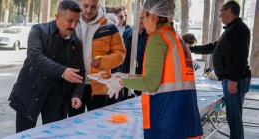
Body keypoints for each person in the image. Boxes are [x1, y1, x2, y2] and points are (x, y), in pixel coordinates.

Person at [104, 0, 203, 138]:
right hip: (184, 115)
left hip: (166, 117)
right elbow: (163, 78)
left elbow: (151, 83)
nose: (142, 22)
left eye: (144, 17)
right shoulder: (175, 38)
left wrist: (121, 82)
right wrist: (127, 77)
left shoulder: (157, 38)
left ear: (153, 16)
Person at [8, 0, 85, 133]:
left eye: (77, 22)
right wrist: (63, 71)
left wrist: (77, 94)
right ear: (57, 17)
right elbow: (36, 57)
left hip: (57, 99)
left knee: (54, 135)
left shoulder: (76, 42)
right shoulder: (38, 30)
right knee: (24, 135)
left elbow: (80, 72)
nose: (74, 26)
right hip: (30, 93)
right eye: (70, 20)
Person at [189, 1, 251, 139]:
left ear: (228, 11)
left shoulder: (239, 29)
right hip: (230, 79)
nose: (219, 15)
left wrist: (234, 79)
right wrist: (191, 49)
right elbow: (213, 47)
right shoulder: (231, 29)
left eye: (220, 11)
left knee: (234, 118)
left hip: (234, 80)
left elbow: (241, 56)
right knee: (232, 117)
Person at [72, 0, 126, 114]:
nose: (89, 11)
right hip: (74, 84)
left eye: (93, 7)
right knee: (73, 124)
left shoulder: (110, 26)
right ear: (79, 4)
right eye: (85, 6)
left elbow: (120, 53)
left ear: (99, 6)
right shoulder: (72, 23)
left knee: (97, 124)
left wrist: (102, 61)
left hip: (100, 85)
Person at [119, 8, 148, 98]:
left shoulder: (150, 35)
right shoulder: (127, 33)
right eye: (139, 17)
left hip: (142, 77)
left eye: (143, 18)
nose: (141, 20)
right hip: (127, 74)